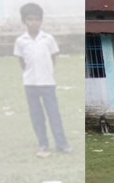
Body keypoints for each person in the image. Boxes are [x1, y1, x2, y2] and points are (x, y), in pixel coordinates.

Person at [14, 2, 71, 157]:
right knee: (36, 116)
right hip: (30, 84)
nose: (34, 22)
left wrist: (47, 73)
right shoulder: (21, 41)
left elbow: (53, 57)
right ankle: (43, 144)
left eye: (37, 19)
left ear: (41, 20)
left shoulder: (48, 39)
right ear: (24, 21)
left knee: (54, 114)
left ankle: (62, 144)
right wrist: (29, 74)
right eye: (30, 19)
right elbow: (21, 61)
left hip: (47, 83)